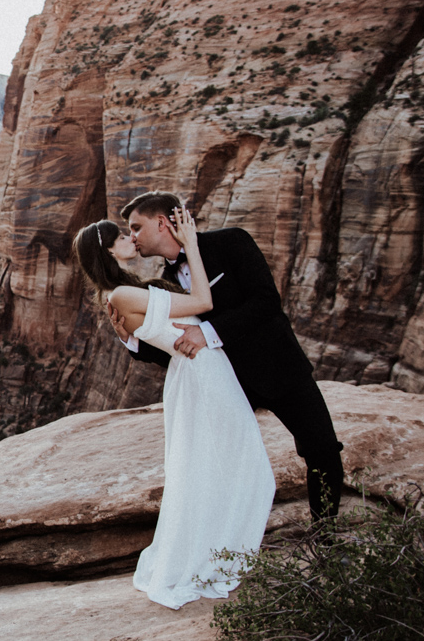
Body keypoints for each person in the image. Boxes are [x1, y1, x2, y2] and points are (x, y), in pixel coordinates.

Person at [74, 211, 275, 608]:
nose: (133, 238)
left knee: (220, 467)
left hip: (200, 372)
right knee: (246, 469)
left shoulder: (123, 292)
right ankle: (213, 560)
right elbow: (203, 301)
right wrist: (193, 244)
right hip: (204, 374)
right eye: (124, 235)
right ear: (110, 249)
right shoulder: (122, 295)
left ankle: (215, 554)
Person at [109, 192, 344, 523]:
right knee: (221, 468)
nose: (132, 237)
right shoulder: (163, 284)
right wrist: (130, 340)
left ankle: (327, 539)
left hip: (279, 369)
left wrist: (208, 332)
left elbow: (265, 302)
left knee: (322, 450)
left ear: (162, 222)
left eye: (136, 227)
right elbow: (178, 349)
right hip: (227, 384)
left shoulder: (231, 242)